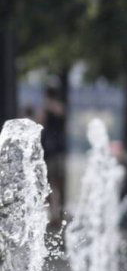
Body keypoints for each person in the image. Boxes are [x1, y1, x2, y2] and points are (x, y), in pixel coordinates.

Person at [39, 85, 67, 229]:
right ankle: (55, 213)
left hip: (51, 152)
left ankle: (55, 214)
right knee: (53, 185)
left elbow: (40, 122)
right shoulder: (56, 107)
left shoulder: (50, 107)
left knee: (52, 184)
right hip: (54, 151)